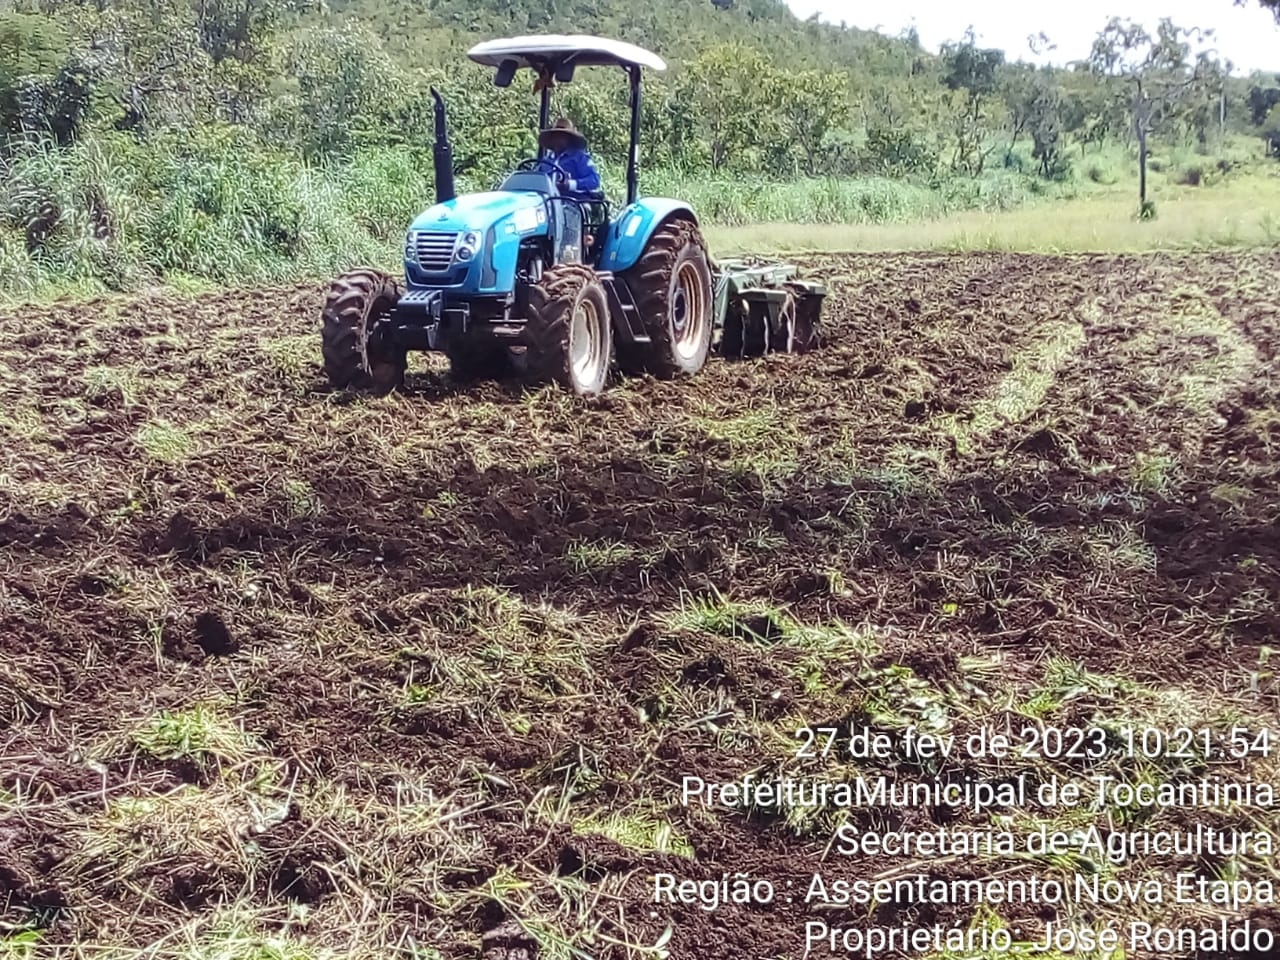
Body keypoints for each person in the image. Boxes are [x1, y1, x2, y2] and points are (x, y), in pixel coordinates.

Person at [537, 117, 602, 198]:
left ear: (569, 139)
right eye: (555, 136)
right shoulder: (546, 161)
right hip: (547, 203)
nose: (557, 139)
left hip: (572, 201)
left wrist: (570, 184)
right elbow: (535, 177)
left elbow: (594, 180)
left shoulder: (579, 158)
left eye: (562, 136)